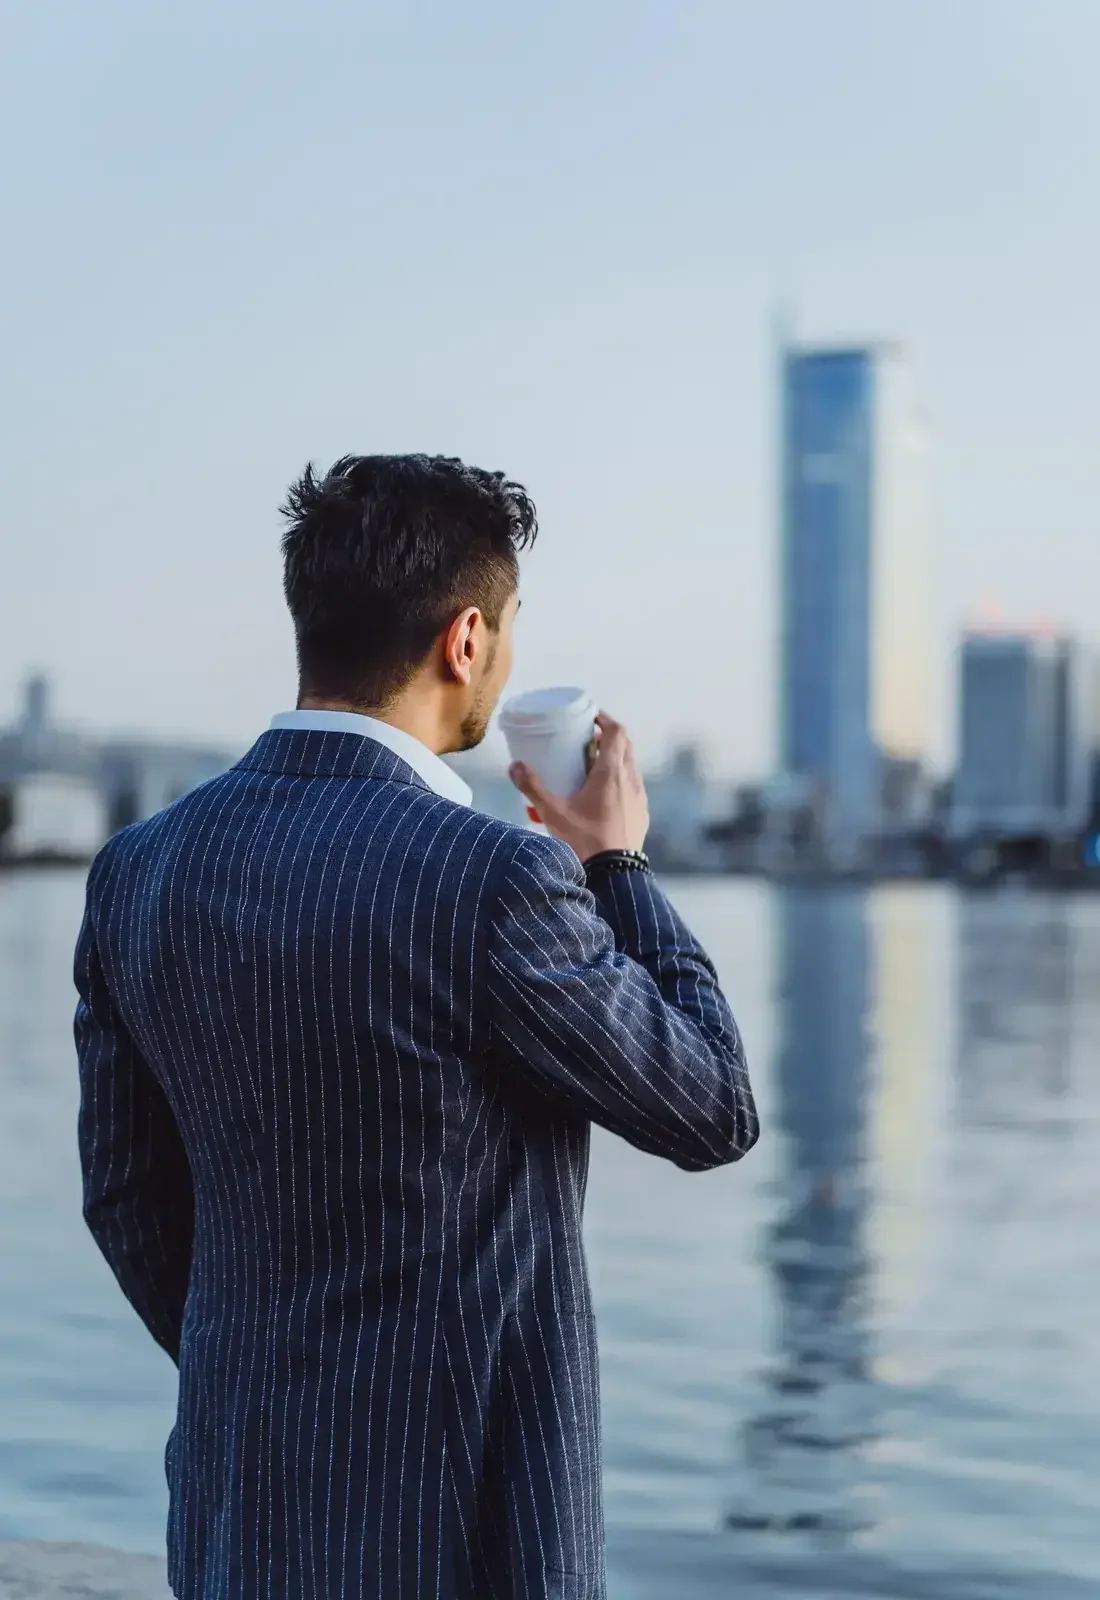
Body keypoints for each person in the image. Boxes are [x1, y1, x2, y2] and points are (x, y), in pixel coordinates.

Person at [74, 453, 759, 1600]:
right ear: (467, 640)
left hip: (237, 1512)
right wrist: (615, 864)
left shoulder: (140, 869)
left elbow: (126, 1195)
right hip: (461, 1540)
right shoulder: (493, 880)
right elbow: (710, 1106)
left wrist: (263, 1378)